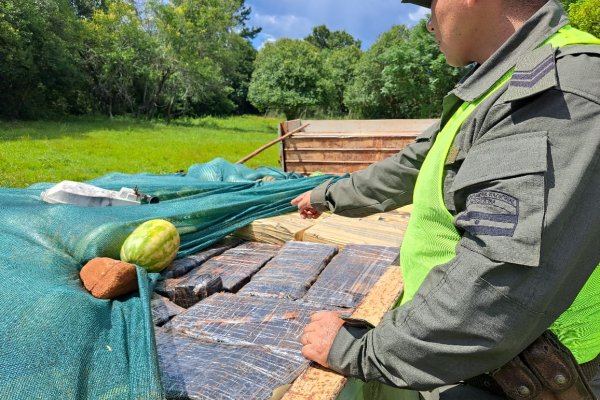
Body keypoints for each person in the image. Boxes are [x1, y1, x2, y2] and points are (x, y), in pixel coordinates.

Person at [292, 0, 600, 398]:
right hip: (468, 359)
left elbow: (498, 280)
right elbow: (412, 165)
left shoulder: (561, 87)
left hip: (530, 375)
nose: (428, 23)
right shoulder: (496, 84)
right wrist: (327, 195)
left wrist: (359, 351)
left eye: (431, 3)